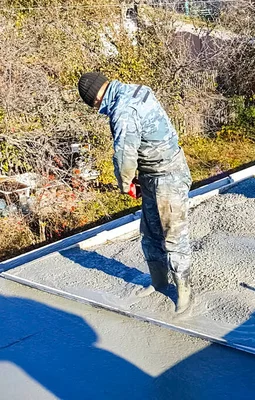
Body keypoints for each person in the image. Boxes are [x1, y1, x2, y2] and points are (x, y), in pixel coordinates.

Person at [78, 72, 193, 313]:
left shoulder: (123, 111)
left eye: (95, 106)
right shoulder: (135, 89)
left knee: (173, 236)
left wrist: (125, 183)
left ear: (95, 100)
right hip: (152, 173)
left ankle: (184, 294)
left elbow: (125, 155)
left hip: (167, 175)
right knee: (150, 231)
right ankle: (159, 283)